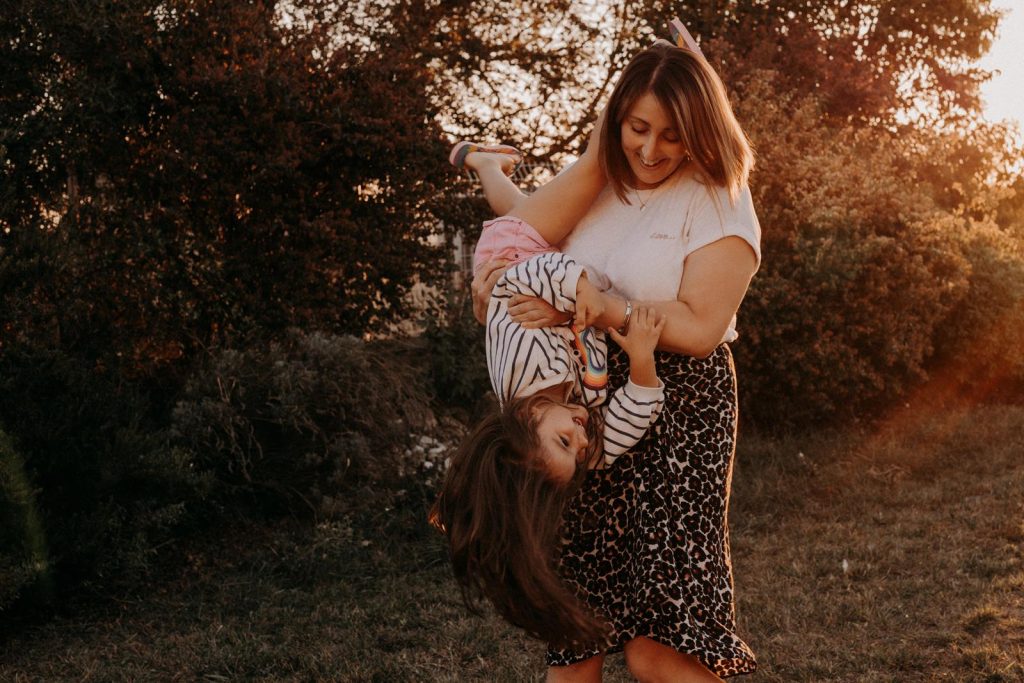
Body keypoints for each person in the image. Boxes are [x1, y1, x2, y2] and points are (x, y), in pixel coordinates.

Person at [469, 36, 761, 681]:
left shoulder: (717, 196)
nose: (650, 151)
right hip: (586, 402)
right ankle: (484, 161)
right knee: (579, 629)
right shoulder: (603, 172)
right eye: (637, 128)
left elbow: (701, 327)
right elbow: (521, 227)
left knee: (661, 640)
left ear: (702, 134)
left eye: (673, 136)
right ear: (618, 117)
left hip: (678, 402)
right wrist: (495, 277)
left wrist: (595, 308)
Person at [432, 131, 669, 647]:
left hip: (512, 257)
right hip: (553, 266)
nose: (583, 440)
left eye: (566, 442)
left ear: (522, 424)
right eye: (580, 454)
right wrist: (643, 364)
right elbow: (629, 422)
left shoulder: (522, 368)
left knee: (594, 165)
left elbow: (531, 275)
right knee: (532, 202)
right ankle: (485, 163)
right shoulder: (574, 423)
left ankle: (638, 83)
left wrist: (584, 297)